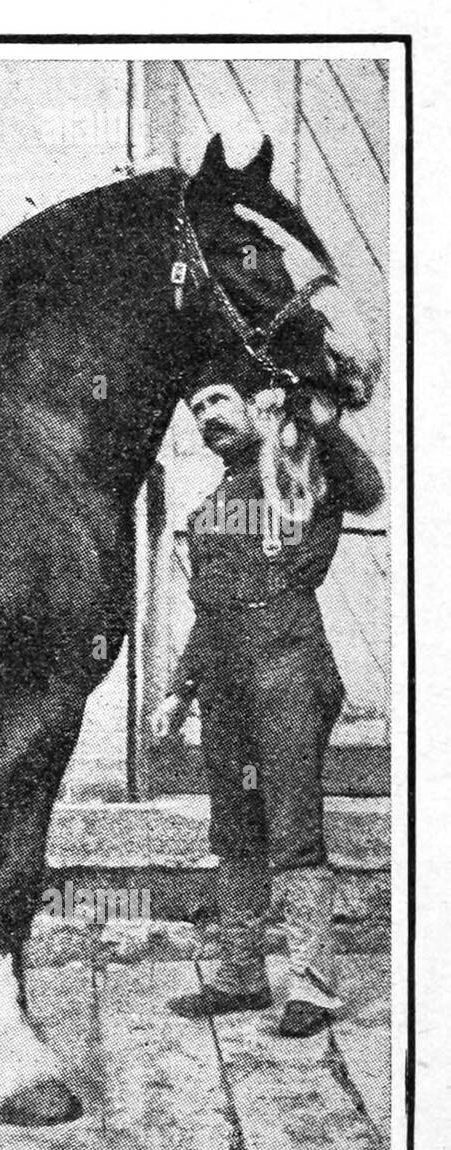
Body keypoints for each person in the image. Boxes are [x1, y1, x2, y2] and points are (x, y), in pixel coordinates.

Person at [151, 355, 385, 1037]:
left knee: (294, 827)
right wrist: (177, 691)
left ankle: (313, 987)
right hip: (226, 680)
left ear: (257, 406)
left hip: (289, 670)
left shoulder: (302, 469)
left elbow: (366, 490)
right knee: (235, 828)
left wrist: (320, 424)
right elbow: (210, 610)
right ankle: (241, 975)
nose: (206, 418)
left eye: (217, 400)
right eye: (196, 411)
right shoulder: (213, 505)